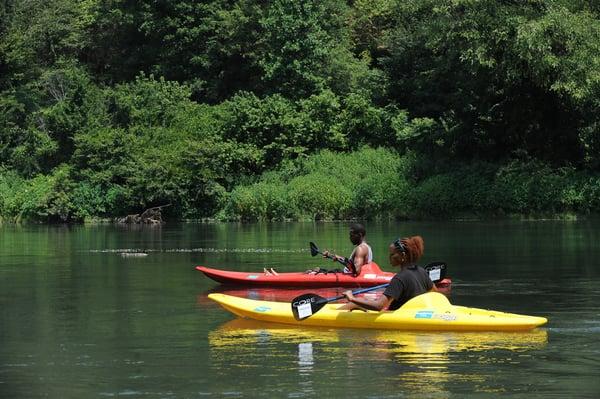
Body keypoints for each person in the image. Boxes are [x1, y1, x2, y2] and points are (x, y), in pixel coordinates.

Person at [340, 235, 435, 311]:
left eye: (392, 254)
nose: (389, 257)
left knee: (353, 303)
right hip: (414, 313)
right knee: (364, 301)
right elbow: (436, 294)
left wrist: (352, 298)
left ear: (403, 255)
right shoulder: (421, 271)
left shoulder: (399, 279)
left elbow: (378, 306)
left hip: (397, 317)